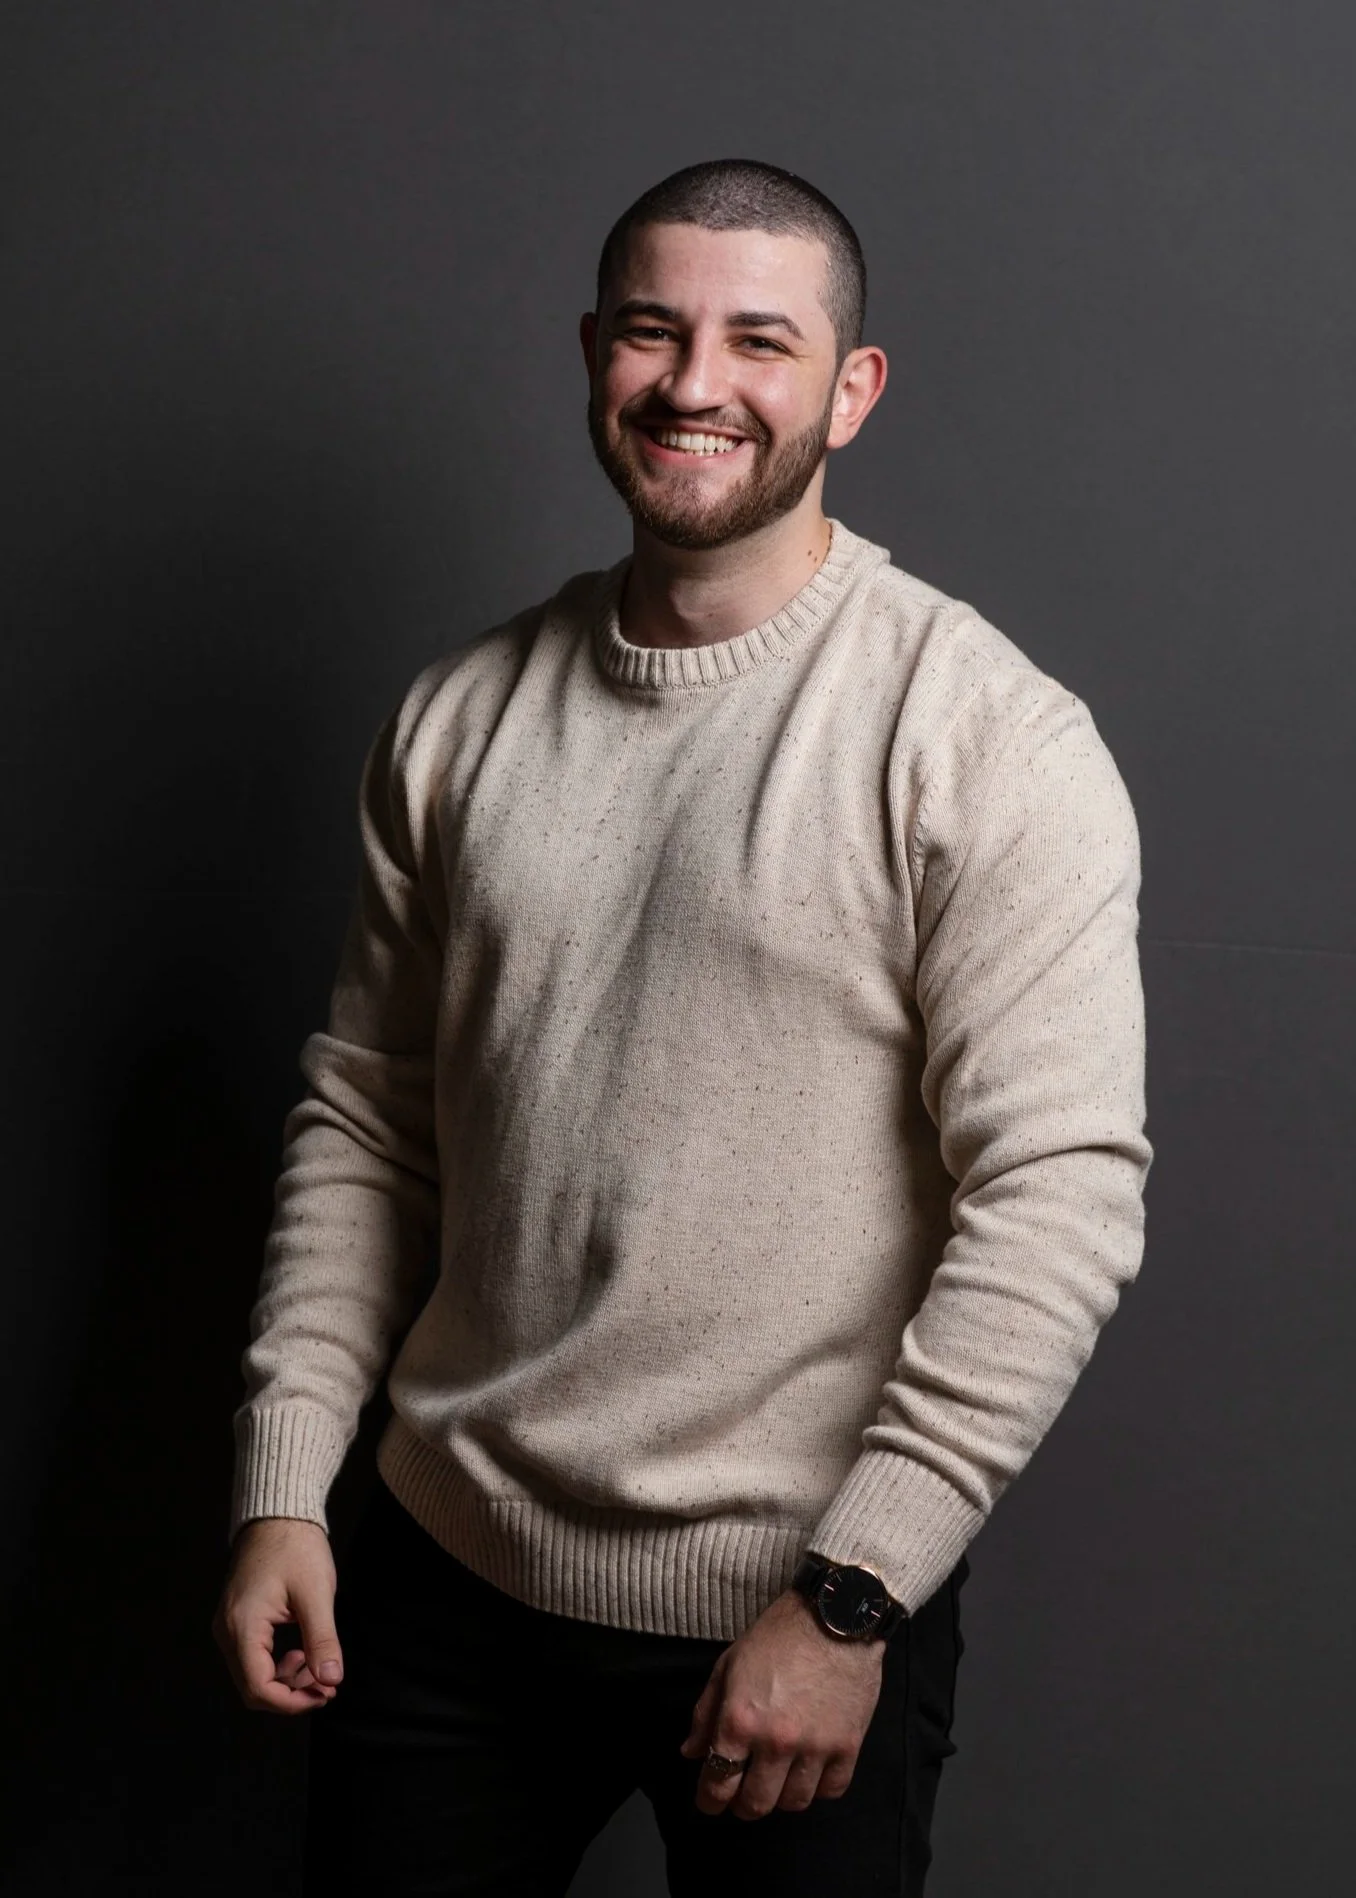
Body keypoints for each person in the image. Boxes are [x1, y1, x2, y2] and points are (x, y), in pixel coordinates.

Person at [212, 158, 1151, 1896]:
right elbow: (367, 1122)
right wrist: (286, 1478)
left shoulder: (984, 736)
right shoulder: (459, 717)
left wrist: (856, 1592)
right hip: (436, 1581)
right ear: (593, 354)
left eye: (760, 343)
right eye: (653, 330)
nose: (696, 383)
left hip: (795, 1603)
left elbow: (1062, 1199)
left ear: (850, 391)